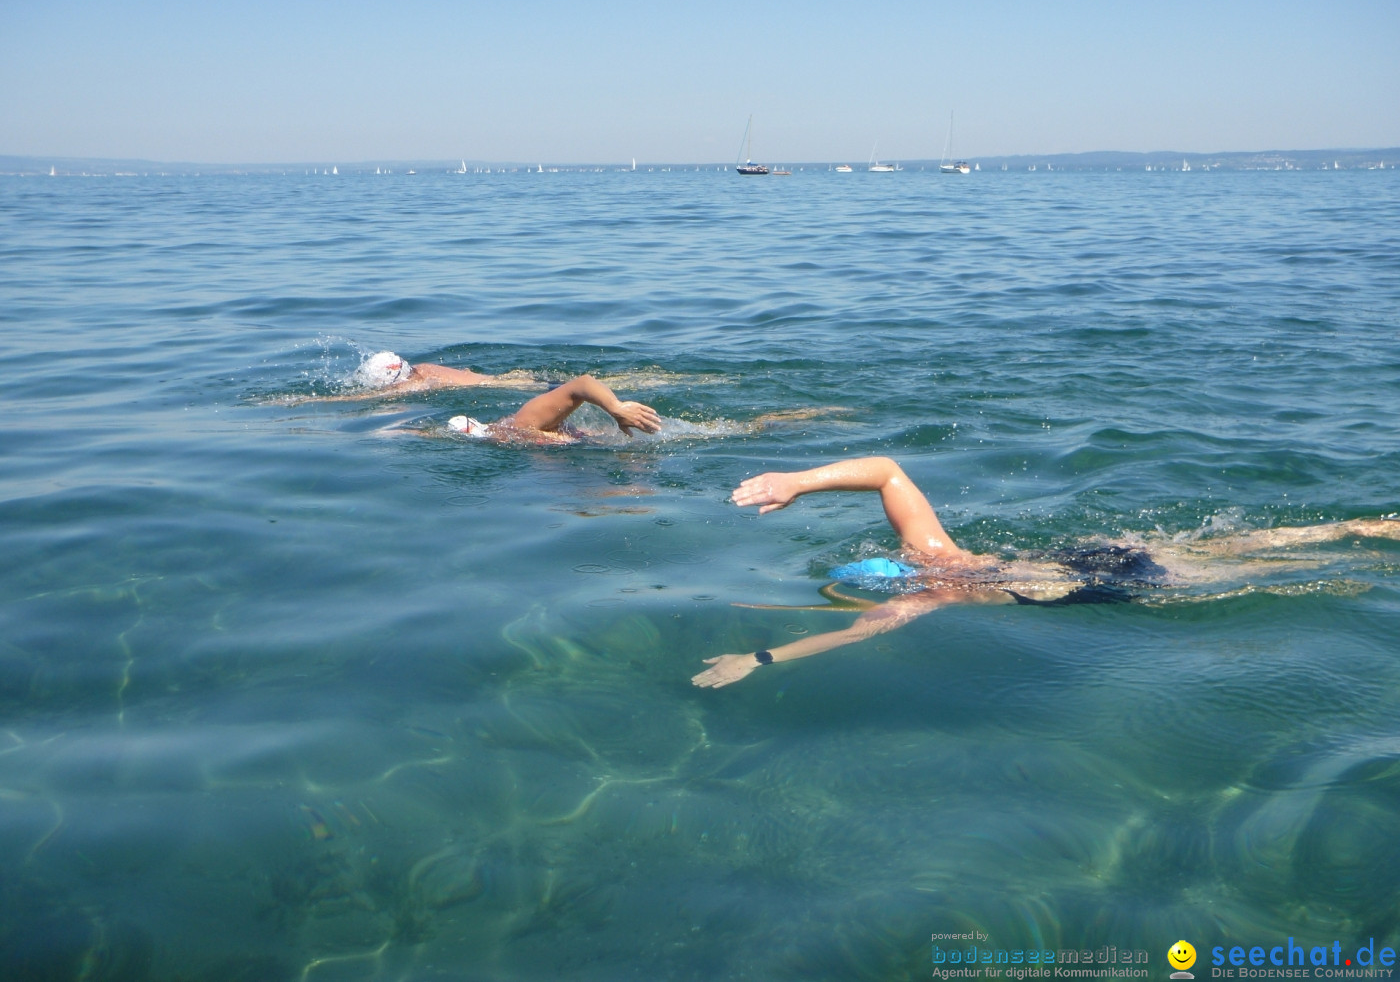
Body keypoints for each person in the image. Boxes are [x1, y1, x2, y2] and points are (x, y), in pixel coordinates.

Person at [692, 456, 1400, 689]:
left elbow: (852, 635)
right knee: (1227, 549)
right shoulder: (938, 556)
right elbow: (887, 471)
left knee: (1229, 579)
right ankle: (1357, 528)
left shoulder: (933, 594)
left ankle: (1341, 564)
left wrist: (761, 656)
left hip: (1096, 585)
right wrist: (796, 480)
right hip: (1085, 555)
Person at [446, 374, 661, 444]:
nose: (498, 436)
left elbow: (583, 383)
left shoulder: (523, 421)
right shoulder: (518, 439)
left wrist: (617, 408)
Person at [354, 350, 542, 393]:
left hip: (504, 385)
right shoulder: (423, 368)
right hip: (506, 378)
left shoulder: (421, 383)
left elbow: (376, 397)